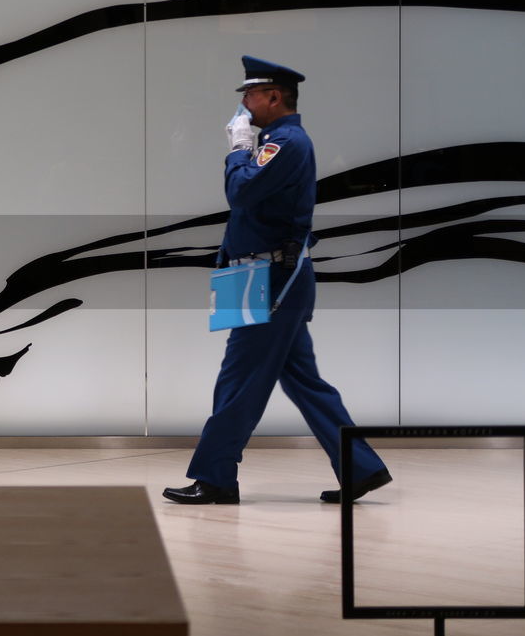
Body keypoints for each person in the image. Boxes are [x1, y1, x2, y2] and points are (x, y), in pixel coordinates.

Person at [162, 56, 391, 505]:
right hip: (258, 273)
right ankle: (361, 468)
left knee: (238, 379)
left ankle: (216, 478)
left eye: (249, 95)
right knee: (304, 381)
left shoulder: (285, 143)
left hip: (269, 278)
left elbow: (240, 193)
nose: (243, 105)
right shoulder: (276, 142)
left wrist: (235, 151)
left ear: (273, 96)